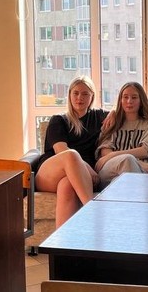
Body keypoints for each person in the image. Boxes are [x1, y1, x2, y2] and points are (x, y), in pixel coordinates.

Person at [35, 76, 108, 226]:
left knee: (67, 186)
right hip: (50, 173)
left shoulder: (98, 117)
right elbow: (61, 150)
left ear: (92, 96)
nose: (79, 98)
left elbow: (122, 111)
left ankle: (63, 241)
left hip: (77, 177)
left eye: (85, 94)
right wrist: (88, 168)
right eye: (75, 93)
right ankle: (92, 210)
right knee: (71, 154)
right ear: (69, 95)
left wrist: (113, 114)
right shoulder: (59, 120)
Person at [95, 82, 148, 186]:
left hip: (141, 172)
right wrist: (138, 162)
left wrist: (114, 154)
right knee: (127, 160)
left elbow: (145, 151)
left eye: (134, 97)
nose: (129, 101)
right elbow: (105, 151)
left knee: (118, 182)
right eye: (125, 97)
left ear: (141, 101)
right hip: (110, 169)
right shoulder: (112, 122)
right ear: (120, 100)